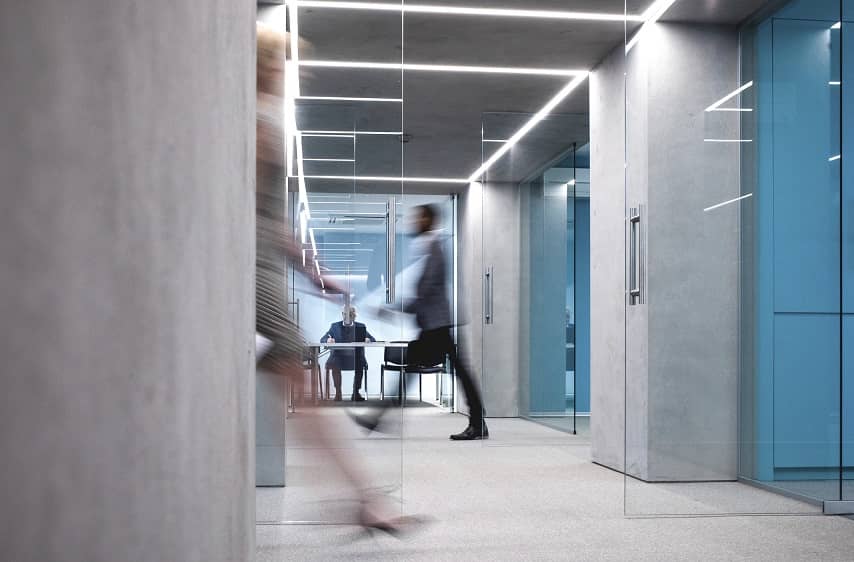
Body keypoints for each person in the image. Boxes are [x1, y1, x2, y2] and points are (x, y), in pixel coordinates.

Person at [255, 22, 411, 535]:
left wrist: (312, 270)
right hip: (251, 269)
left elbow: (268, 216)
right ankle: (361, 498)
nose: (289, 74)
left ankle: (360, 497)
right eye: (281, 63)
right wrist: (310, 268)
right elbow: (259, 217)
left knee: (295, 380)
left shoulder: (259, 119)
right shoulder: (255, 120)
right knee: (298, 379)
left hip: (259, 266)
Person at [352, 204, 488, 440]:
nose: (415, 221)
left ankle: (376, 419)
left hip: (436, 324)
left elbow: (424, 290)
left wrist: (390, 310)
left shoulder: (433, 247)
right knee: (448, 370)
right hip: (434, 324)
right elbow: (423, 290)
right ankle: (478, 422)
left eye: (420, 217)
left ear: (430, 220)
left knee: (427, 369)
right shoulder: (428, 247)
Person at [321, 306, 376, 401]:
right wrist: (328, 340)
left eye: (351, 314)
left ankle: (356, 392)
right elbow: (323, 339)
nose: (348, 317)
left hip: (355, 358)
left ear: (354, 316)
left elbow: (373, 339)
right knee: (335, 362)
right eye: (346, 314)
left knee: (360, 362)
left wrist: (368, 340)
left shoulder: (360, 326)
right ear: (342, 314)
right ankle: (338, 392)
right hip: (338, 357)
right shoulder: (335, 326)